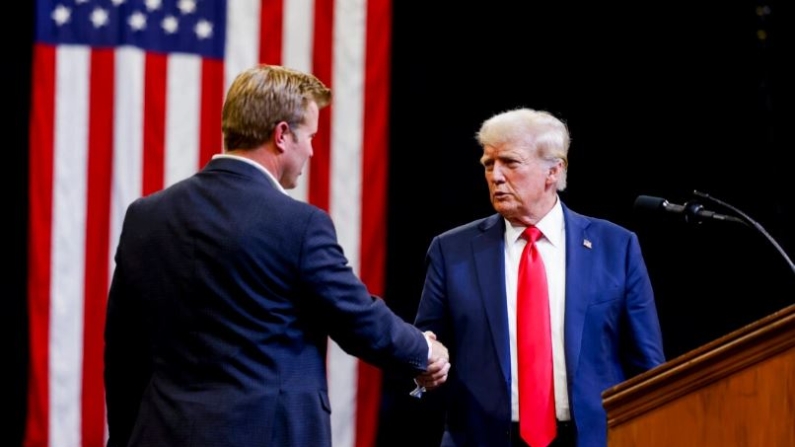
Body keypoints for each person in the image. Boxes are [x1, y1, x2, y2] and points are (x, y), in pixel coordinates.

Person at [103, 64, 450, 447]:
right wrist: (423, 350)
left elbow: (123, 353)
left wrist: (126, 437)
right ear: (282, 134)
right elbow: (356, 318)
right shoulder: (298, 225)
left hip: (161, 433)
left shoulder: (145, 216)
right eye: (311, 136)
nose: (313, 150)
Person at [411, 107, 665, 447]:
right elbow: (424, 344)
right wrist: (423, 365)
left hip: (592, 439)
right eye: (489, 164)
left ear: (553, 171)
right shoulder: (452, 250)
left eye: (510, 163)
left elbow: (648, 365)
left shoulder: (615, 247)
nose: (496, 176)